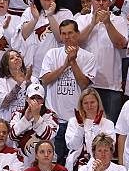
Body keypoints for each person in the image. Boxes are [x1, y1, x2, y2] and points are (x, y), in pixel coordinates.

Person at [41, 19, 96, 163]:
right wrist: (65, 65)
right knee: (54, 163)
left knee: (74, 163)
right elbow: (45, 80)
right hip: (54, 120)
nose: (67, 37)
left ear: (77, 34)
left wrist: (73, 62)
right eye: (63, 34)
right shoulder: (52, 54)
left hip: (76, 121)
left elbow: (84, 84)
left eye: (70, 33)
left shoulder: (89, 57)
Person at [75, 0, 127, 120]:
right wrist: (93, 23)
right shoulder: (82, 19)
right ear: (92, 3)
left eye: (104, 1)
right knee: (86, 124)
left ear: (109, 3)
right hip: (87, 83)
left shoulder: (118, 20)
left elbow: (121, 44)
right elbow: (76, 41)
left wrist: (107, 23)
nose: (101, 4)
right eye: (98, 0)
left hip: (111, 85)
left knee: (109, 127)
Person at [20, 0, 73, 77]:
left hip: (56, 67)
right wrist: (35, 18)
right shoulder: (29, 11)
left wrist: (50, 15)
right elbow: (24, 34)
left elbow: (61, 39)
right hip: (32, 69)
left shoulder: (65, 13)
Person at [65, 88, 115, 171]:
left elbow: (108, 146)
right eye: (85, 103)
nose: (89, 106)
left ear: (98, 103)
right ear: (81, 105)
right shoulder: (73, 121)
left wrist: (96, 126)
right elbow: (73, 146)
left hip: (101, 163)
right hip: (78, 165)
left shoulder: (108, 123)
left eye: (92, 102)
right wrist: (80, 127)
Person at [9, 83, 58, 166]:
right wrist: (25, 119)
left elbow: (48, 136)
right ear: (27, 99)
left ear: (43, 100)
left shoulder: (50, 115)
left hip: (46, 163)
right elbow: (11, 135)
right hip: (21, 162)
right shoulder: (18, 115)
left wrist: (37, 116)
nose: (35, 101)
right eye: (32, 98)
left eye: (39, 98)